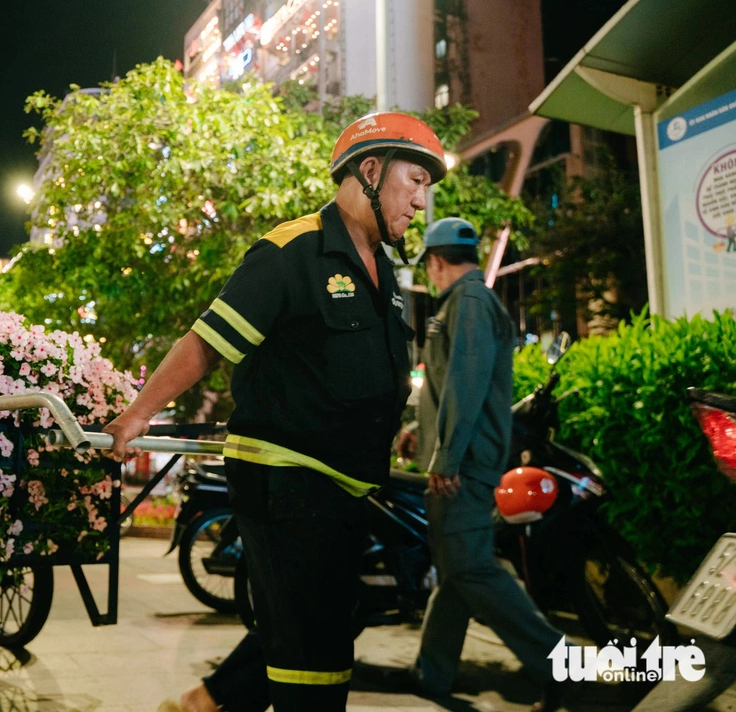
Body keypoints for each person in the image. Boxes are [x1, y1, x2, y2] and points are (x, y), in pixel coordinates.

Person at [106, 112, 446, 711]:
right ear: (370, 171)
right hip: (286, 478)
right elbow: (208, 341)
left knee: (327, 622)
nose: (422, 201)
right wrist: (138, 414)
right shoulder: (292, 251)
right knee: (312, 658)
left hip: (345, 486)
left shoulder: (384, 269)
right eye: (415, 180)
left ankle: (206, 704)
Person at [398, 217, 572, 711]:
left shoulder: (469, 304)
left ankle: (561, 667)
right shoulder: (468, 303)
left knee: (472, 570)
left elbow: (465, 386)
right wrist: (419, 432)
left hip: (463, 466)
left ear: (435, 262)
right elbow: (447, 386)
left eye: (428, 267)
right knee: (455, 572)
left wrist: (446, 457)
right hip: (461, 460)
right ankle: (431, 674)